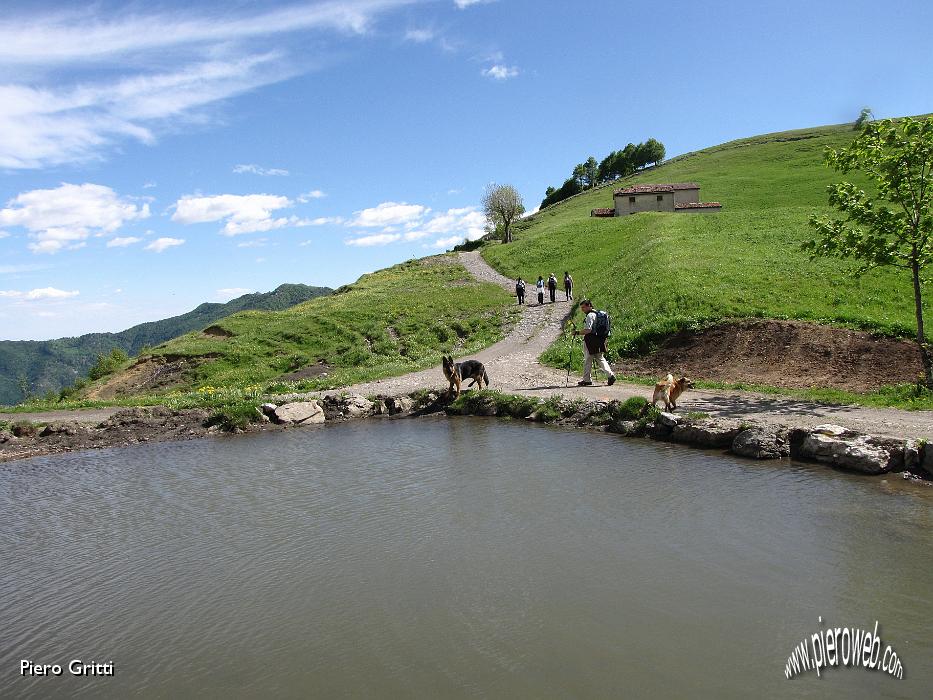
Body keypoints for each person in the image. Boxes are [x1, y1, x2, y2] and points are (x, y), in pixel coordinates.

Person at [572, 299, 616, 386]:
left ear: (589, 306)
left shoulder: (590, 316)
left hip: (590, 340)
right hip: (600, 339)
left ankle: (587, 380)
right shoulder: (599, 314)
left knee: (588, 359)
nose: (582, 309)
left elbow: (588, 330)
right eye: (581, 308)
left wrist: (577, 332)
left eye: (584, 307)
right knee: (600, 358)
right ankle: (610, 375)